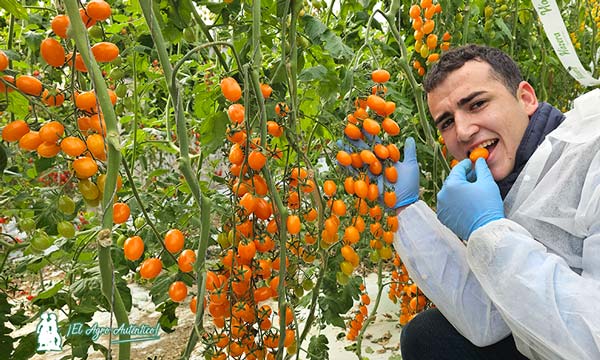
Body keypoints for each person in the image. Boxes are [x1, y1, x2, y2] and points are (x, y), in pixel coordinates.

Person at [386, 44, 600, 359]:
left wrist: (490, 230)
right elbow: (490, 320)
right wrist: (406, 209)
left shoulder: (591, 154)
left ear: (526, 98)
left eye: (477, 104)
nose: (462, 131)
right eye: (446, 122)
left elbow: (593, 339)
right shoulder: (513, 180)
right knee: (427, 334)